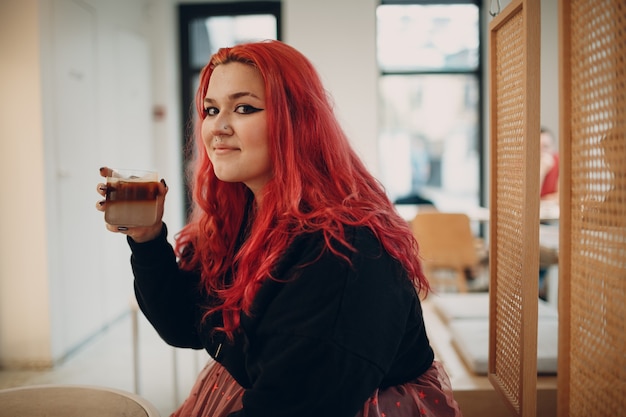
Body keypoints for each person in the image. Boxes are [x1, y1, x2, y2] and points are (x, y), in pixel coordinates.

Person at [96, 40, 463, 417]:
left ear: (297, 122)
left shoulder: (342, 249)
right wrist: (146, 240)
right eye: (210, 109)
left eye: (243, 108)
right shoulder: (242, 216)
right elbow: (185, 325)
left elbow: (297, 405)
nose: (217, 128)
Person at [539, 127, 559, 201]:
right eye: (538, 147)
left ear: (553, 148)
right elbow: (530, 199)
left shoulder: (559, 162)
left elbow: (561, 196)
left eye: (546, 147)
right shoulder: (526, 165)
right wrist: (541, 171)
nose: (542, 152)